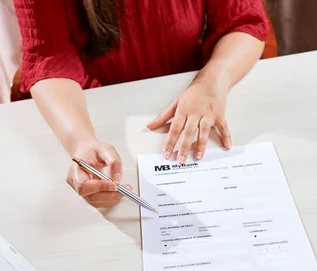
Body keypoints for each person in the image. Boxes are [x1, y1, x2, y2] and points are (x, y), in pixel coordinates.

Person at [14, 0, 270, 208]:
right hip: (94, 108)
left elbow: (243, 20)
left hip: (189, 93)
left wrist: (212, 80)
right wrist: (80, 140)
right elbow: (49, 53)